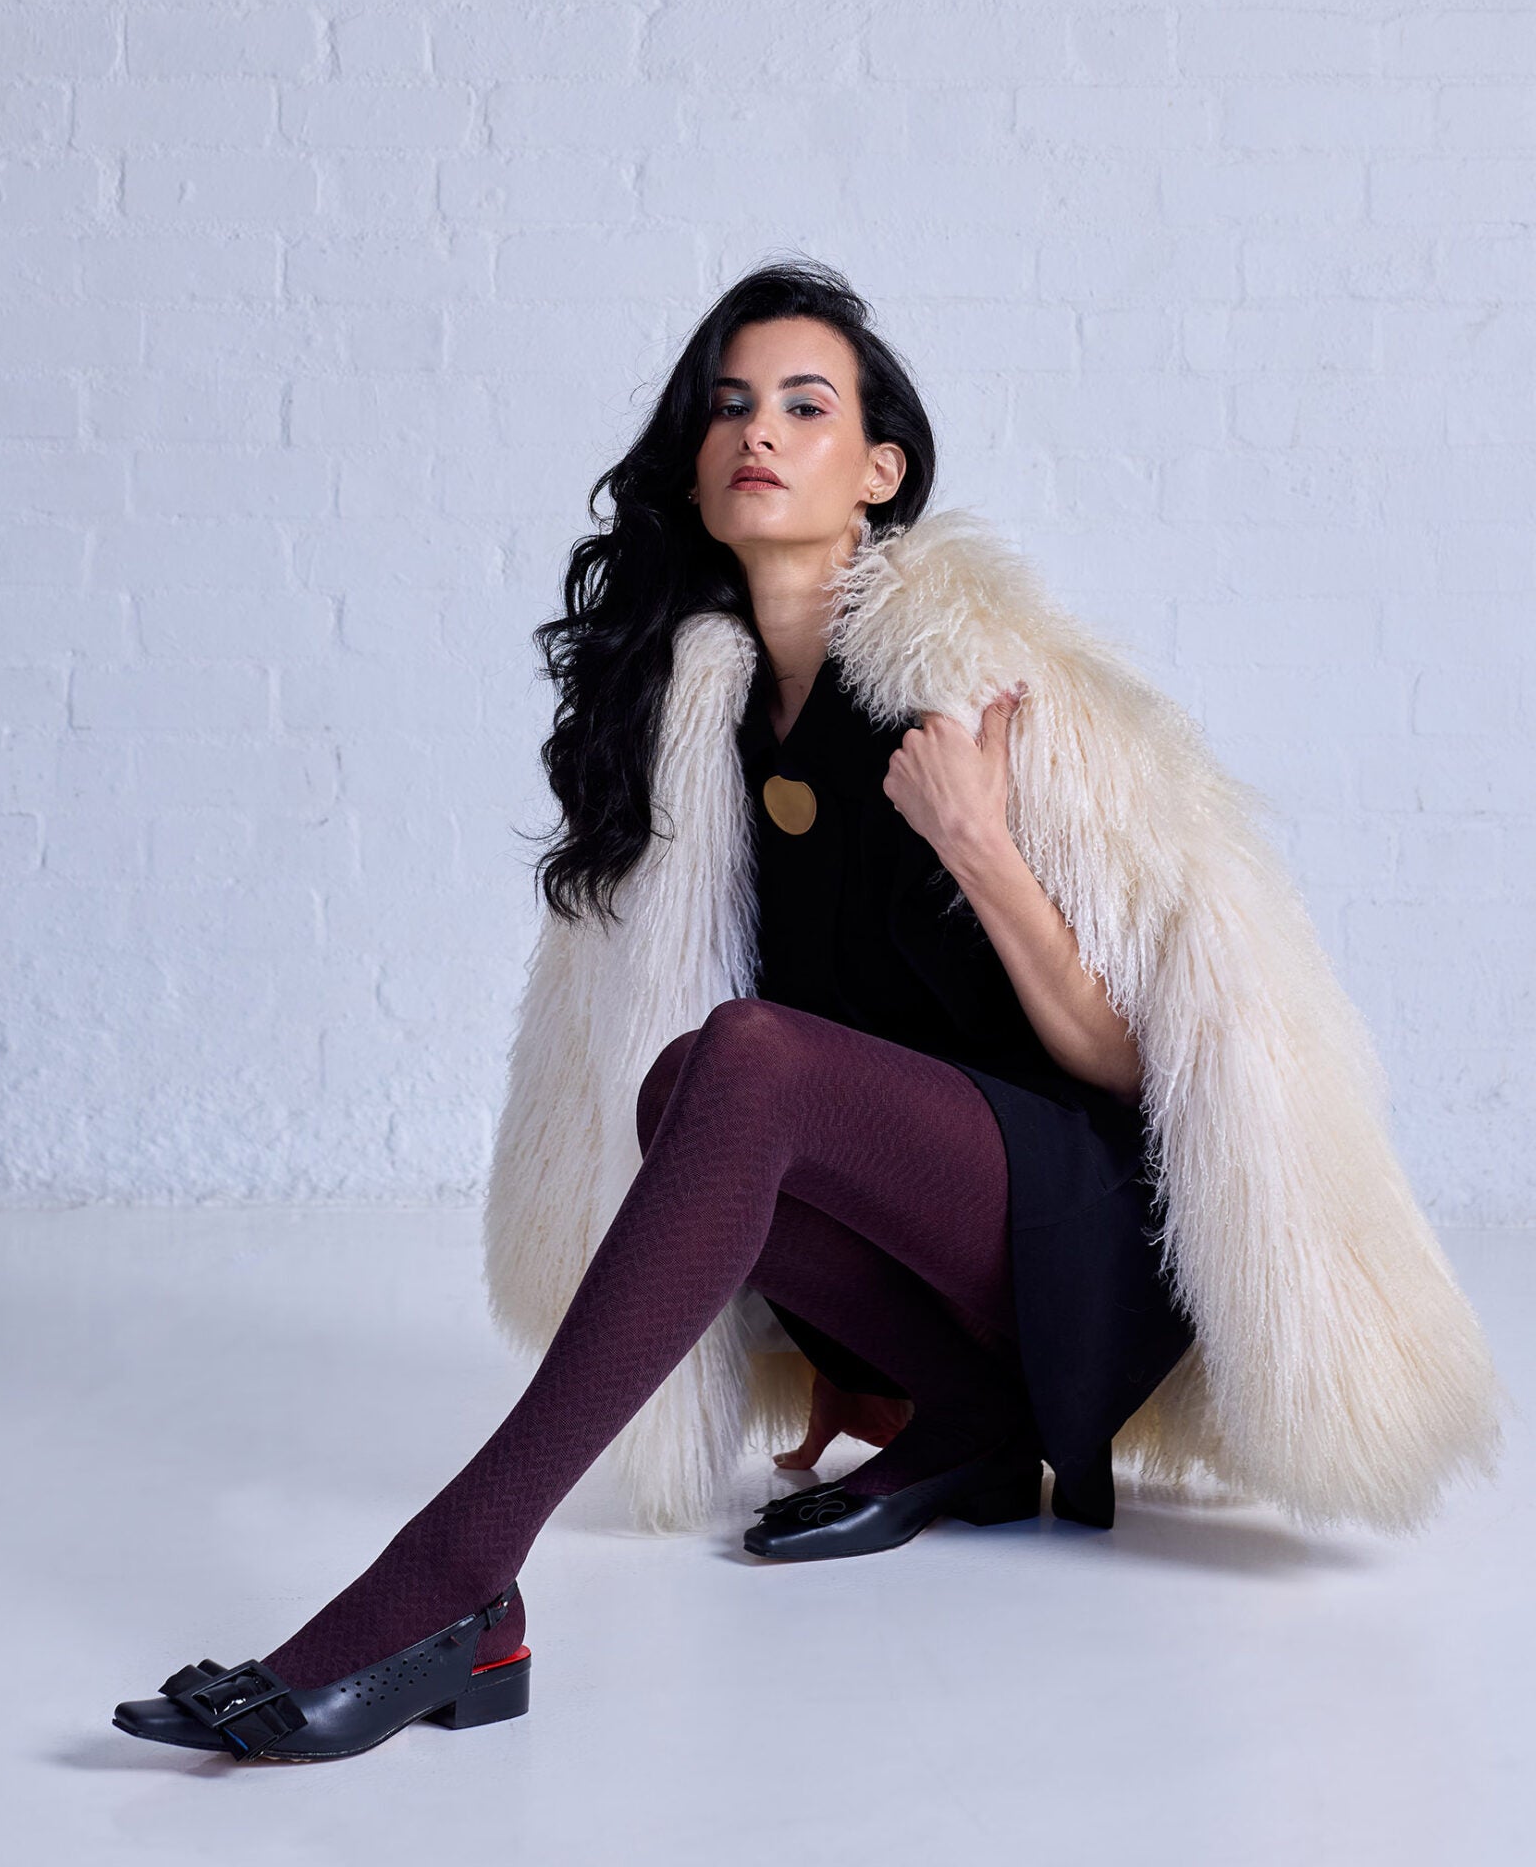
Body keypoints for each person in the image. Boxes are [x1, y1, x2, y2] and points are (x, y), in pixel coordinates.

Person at [113, 259, 1502, 1765]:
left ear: (879, 472)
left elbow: (1135, 1060)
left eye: (804, 405)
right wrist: (852, 1317)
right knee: (684, 1086)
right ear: (694, 466)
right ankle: (964, 1421)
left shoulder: (976, 696)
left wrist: (980, 844)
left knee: (745, 1063)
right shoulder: (706, 730)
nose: (757, 433)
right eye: (729, 408)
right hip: (966, 1263)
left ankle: (453, 1577)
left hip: (1099, 1241)